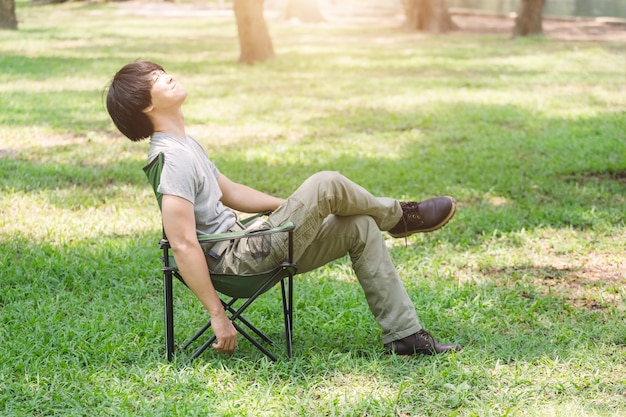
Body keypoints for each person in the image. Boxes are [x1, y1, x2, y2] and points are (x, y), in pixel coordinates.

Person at [105, 60, 462, 357]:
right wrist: (217, 315)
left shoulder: (185, 144)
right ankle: (401, 217)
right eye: (154, 79)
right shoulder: (172, 160)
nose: (165, 75)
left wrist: (298, 209)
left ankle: (405, 336)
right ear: (146, 106)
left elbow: (229, 191)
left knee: (360, 227)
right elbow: (182, 243)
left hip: (252, 244)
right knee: (326, 182)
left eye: (159, 70)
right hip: (237, 263)